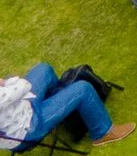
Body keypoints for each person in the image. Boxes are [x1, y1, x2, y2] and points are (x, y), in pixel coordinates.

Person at [0, 61, 130, 147]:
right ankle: (103, 132)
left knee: (44, 70)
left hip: (21, 108)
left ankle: (67, 112)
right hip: (27, 128)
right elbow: (23, 86)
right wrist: (6, 83)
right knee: (82, 89)